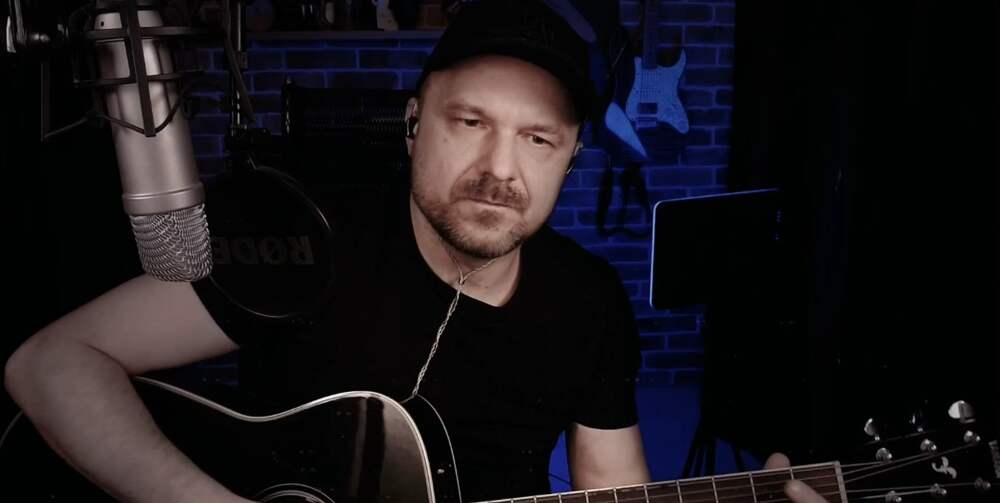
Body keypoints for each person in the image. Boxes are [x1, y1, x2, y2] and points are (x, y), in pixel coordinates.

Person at [5, 0, 829, 501]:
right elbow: (51, 362)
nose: (500, 170)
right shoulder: (308, 242)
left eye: (538, 138)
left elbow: (612, 490)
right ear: (413, 123)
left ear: (571, 158)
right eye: (470, 122)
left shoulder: (590, 301)